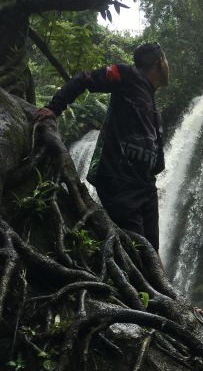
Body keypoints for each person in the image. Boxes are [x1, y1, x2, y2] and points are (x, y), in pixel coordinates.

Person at [34, 43, 169, 251]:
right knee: (135, 249)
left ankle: (153, 283)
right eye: (167, 61)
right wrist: (55, 107)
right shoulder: (127, 75)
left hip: (145, 187)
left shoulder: (155, 110)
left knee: (151, 251)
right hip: (120, 179)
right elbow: (85, 78)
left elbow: (157, 159)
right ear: (160, 62)